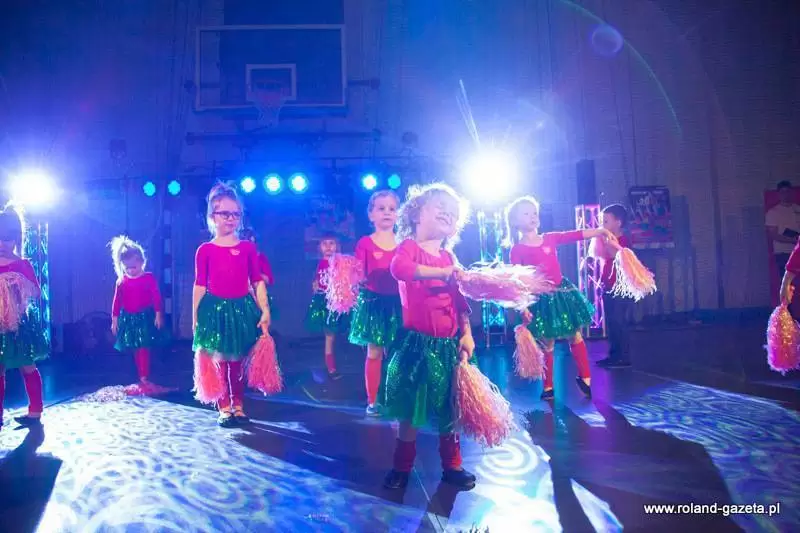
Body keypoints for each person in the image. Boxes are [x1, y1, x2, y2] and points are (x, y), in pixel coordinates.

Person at [383, 183, 477, 491]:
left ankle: (453, 466)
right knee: (412, 411)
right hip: (417, 346)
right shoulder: (409, 248)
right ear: (416, 213)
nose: (447, 213)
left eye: (453, 212)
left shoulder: (449, 257)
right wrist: (441, 273)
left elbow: (460, 302)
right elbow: (399, 268)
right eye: (440, 207)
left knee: (450, 408)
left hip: (448, 346)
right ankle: (401, 467)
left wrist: (467, 334)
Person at [504, 196, 617, 400]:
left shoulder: (549, 238)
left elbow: (575, 234)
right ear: (515, 222)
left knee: (574, 334)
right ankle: (548, 387)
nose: (533, 216)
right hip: (541, 299)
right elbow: (516, 281)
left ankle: (586, 378)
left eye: (534, 212)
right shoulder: (517, 250)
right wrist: (523, 307)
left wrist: (599, 231)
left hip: (561, 294)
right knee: (547, 343)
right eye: (526, 213)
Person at [192, 183, 270, 427]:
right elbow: (199, 285)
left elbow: (256, 281)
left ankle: (238, 405)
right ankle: (224, 407)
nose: (231, 218)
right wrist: (195, 317)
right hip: (215, 311)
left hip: (240, 310)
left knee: (237, 360)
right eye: (225, 213)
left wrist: (265, 310)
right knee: (220, 360)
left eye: (235, 214)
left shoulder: (247, 248)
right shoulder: (205, 250)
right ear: (212, 216)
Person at [348, 191, 402, 416]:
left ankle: (396, 396)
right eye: (381, 208)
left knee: (399, 351)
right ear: (371, 215)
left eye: (392, 208)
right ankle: (373, 400)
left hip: (400, 304)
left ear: (398, 214)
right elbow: (358, 272)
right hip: (374, 303)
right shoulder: (365, 243)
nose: (387, 212)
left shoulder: (404, 243)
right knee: (375, 351)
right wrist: (352, 279)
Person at [0, 205, 48, 430]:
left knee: (27, 365)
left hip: (19, 324)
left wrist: (17, 281)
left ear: (16, 239)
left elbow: (37, 292)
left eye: (7, 239)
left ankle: (35, 410)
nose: (2, 244)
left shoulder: (22, 264)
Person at [110, 236, 164, 383]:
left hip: (144, 318)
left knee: (143, 346)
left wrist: (158, 314)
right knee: (135, 347)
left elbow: (156, 297)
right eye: (127, 268)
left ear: (142, 262)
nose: (130, 270)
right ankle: (140, 373)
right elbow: (117, 302)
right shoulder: (121, 282)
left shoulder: (148, 278)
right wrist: (114, 320)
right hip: (129, 318)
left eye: (134, 267)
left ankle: (144, 375)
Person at [590, 205, 631, 368]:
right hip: (608, 285)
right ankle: (614, 355)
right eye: (602, 221)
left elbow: (617, 256)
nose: (602, 225)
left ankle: (623, 356)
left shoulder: (624, 240)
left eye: (606, 221)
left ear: (618, 223)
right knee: (611, 322)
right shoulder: (605, 239)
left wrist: (608, 241)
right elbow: (604, 261)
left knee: (619, 320)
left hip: (620, 287)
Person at [305, 233, 349, 380]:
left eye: (332, 243)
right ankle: (331, 367)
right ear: (320, 247)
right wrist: (315, 286)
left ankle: (340, 362)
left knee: (338, 334)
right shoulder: (321, 263)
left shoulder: (340, 262)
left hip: (339, 302)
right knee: (330, 335)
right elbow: (318, 281)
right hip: (326, 303)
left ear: (337, 246)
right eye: (325, 244)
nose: (329, 247)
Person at [766, 181, 800, 280]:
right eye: (783, 192)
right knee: (787, 283)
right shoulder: (773, 212)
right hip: (783, 253)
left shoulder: (797, 208)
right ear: (779, 194)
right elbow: (773, 235)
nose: (786, 194)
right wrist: (792, 240)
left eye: (788, 191)